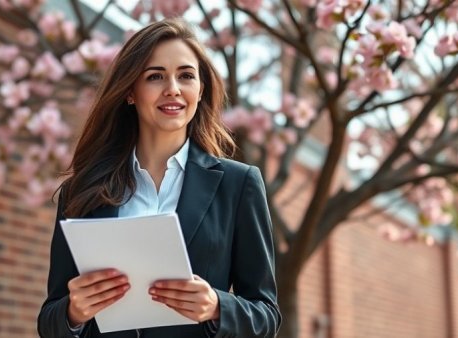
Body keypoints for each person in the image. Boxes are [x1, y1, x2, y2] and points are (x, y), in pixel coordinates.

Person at [37, 18, 281, 338]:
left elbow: (266, 315)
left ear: (200, 90)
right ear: (130, 92)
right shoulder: (82, 190)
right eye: (155, 76)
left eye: (186, 76)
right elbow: (49, 320)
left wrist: (216, 306)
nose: (173, 89)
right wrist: (74, 312)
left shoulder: (239, 184)